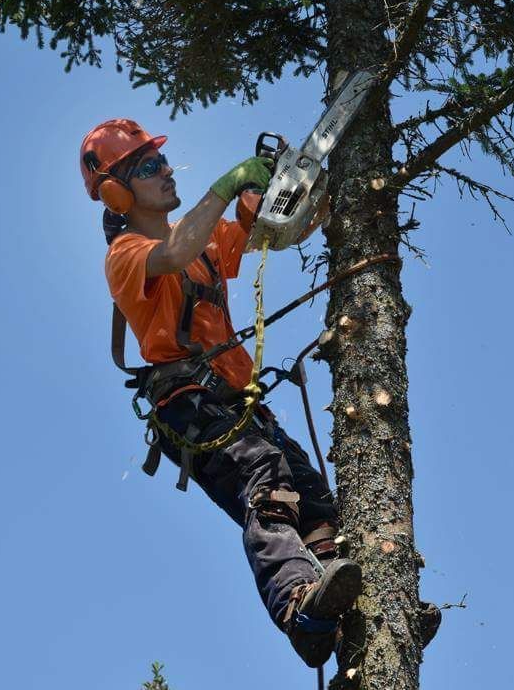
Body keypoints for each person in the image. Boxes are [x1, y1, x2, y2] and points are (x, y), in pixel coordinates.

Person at [80, 117, 439, 667]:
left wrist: (302, 183)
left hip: (238, 402)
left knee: (316, 498)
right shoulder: (127, 255)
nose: (166, 171)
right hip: (189, 405)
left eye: (163, 161)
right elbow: (173, 253)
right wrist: (225, 187)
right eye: (149, 167)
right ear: (115, 190)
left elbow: (285, 231)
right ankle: (298, 606)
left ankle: (348, 621)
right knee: (265, 481)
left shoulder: (207, 241)